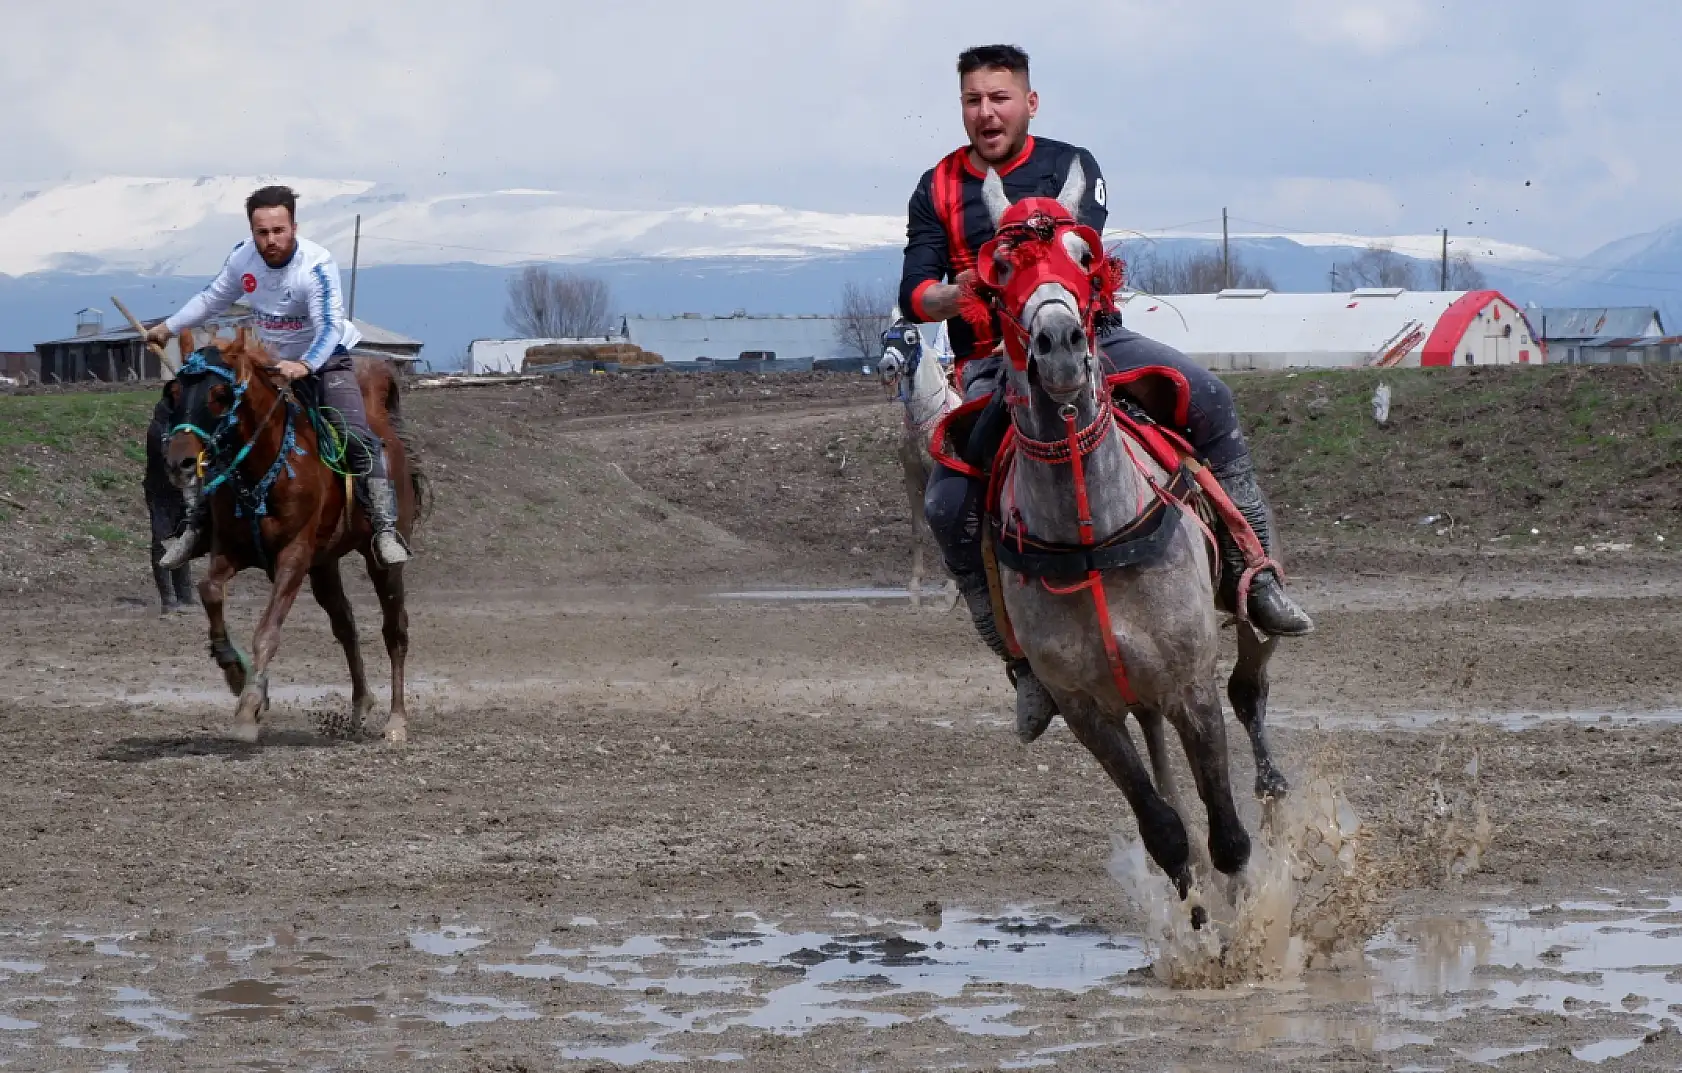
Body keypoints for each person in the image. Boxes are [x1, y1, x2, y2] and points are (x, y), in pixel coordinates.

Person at [901, 45, 1312, 738]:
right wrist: (970, 285)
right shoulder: (936, 187)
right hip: (993, 362)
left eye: (999, 97)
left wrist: (1029, 273)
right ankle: (1023, 660)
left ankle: (1254, 575)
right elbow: (914, 294)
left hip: (1088, 341)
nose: (986, 111)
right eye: (973, 99)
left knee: (1209, 397)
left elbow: (1079, 251)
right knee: (946, 501)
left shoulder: (1072, 167)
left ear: (1030, 103)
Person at [147, 186, 409, 568]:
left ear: (294, 227)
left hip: (324, 363)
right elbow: (212, 298)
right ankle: (196, 528)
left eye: (278, 230)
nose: (270, 240)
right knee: (216, 432)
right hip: (268, 365)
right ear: (252, 231)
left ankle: (384, 526)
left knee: (355, 434)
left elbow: (329, 328)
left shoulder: (316, 266)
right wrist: (169, 327)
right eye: (262, 232)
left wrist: (304, 366)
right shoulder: (243, 259)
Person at [144, 383, 195, 615]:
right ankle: (168, 599)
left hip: (184, 490)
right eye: (176, 392)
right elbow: (168, 457)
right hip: (161, 491)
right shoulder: (159, 426)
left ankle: (185, 595)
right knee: (163, 540)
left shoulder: (187, 420)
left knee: (183, 539)